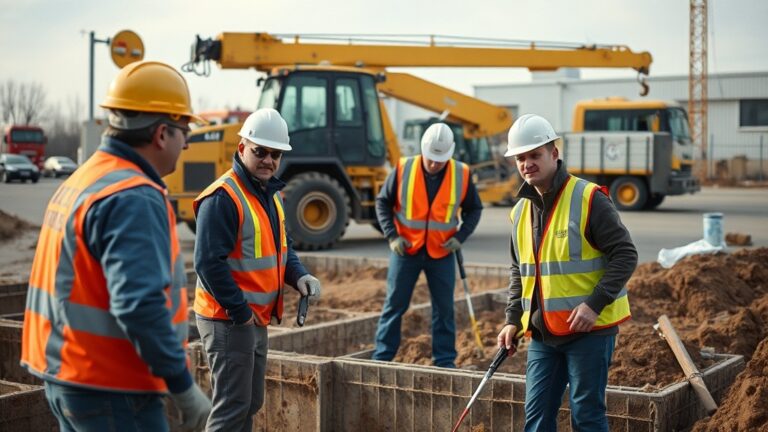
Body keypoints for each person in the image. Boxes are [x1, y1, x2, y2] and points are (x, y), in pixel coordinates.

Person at [21, 61, 211, 431]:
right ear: (160, 134)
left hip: (68, 376)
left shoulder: (88, 178)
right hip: (112, 387)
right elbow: (139, 305)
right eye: (184, 130)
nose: (187, 142)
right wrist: (183, 388)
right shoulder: (134, 196)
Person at [496, 114, 637, 431]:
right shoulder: (520, 211)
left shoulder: (588, 198)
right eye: (521, 157)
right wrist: (511, 320)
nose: (527, 163)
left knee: (586, 416)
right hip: (543, 333)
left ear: (554, 154)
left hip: (589, 331)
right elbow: (520, 272)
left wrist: (593, 305)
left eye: (535, 155)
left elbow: (625, 254)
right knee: (536, 418)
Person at [193, 108, 321, 431]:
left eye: (275, 154)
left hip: (251, 317)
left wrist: (299, 275)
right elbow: (207, 262)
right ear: (242, 149)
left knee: (249, 403)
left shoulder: (268, 195)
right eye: (259, 151)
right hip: (228, 317)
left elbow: (282, 248)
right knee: (231, 407)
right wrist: (239, 311)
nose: (268, 160)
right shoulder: (224, 197)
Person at [373, 122, 483, 368]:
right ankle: (382, 357)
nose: (434, 164)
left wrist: (460, 236)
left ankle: (444, 361)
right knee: (395, 305)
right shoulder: (404, 168)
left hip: (442, 251)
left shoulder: (461, 173)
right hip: (406, 251)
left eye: (440, 159)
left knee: (444, 309)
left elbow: (475, 209)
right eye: (431, 158)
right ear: (423, 150)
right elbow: (382, 202)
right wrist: (392, 236)